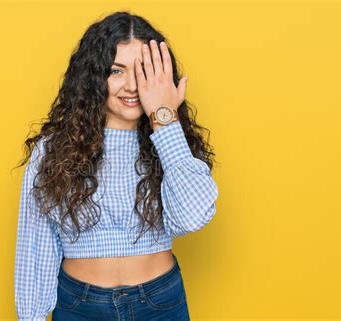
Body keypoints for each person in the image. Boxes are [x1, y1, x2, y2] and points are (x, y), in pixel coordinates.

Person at [14, 11, 219, 321]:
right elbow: (36, 247)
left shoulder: (170, 142)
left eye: (144, 72)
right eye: (117, 71)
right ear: (95, 77)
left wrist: (164, 117)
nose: (132, 86)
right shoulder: (53, 150)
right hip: (80, 306)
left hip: (160, 303)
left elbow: (192, 217)